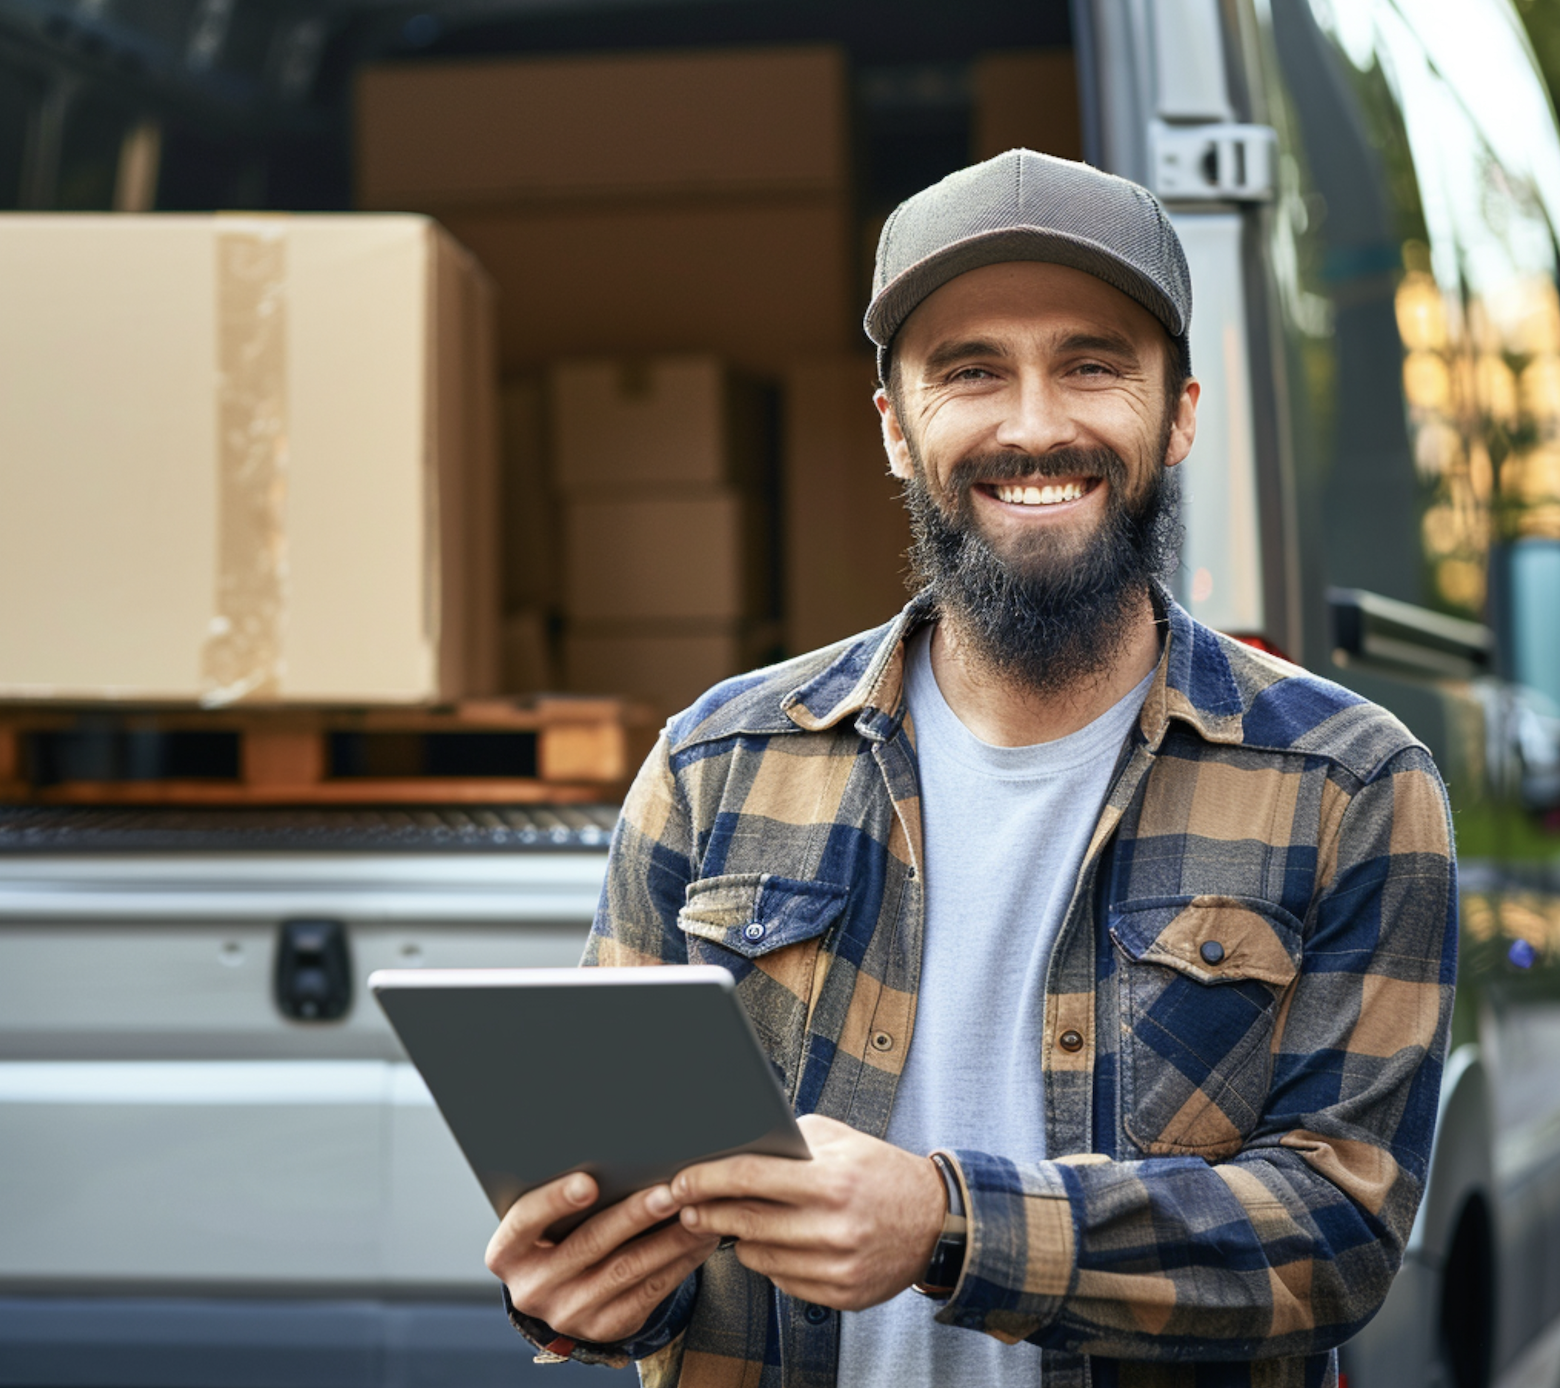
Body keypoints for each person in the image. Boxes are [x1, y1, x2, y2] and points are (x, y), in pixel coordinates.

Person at [485, 149, 1457, 1388]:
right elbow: (626, 1209)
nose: (1036, 423)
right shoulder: (714, 765)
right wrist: (583, 1296)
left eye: (1093, 364)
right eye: (971, 372)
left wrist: (947, 1226)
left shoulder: (1352, 783)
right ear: (897, 428)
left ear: (1181, 414)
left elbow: (1337, 1237)